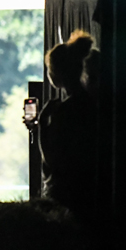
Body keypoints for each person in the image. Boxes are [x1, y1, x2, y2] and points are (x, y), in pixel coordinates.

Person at [36, 30, 99, 222]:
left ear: (57, 73)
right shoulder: (92, 103)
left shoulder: (64, 111)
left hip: (69, 196)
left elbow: (53, 160)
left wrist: (41, 126)